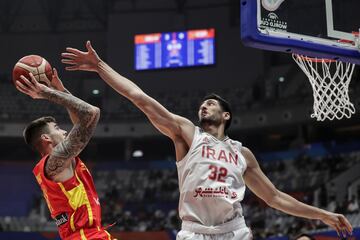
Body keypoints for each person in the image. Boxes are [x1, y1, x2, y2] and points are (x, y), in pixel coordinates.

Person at [61, 41, 353, 239]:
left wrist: (323, 215)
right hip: (194, 231)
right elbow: (141, 99)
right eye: (203, 104)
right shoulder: (188, 134)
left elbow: (274, 197)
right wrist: (100, 66)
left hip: (234, 229)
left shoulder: (243, 154)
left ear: (226, 116)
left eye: (211, 104)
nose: (204, 106)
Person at [15, 70, 113, 240]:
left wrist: (62, 92)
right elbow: (92, 113)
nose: (65, 130)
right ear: (46, 138)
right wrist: (46, 93)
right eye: (58, 128)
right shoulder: (55, 162)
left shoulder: (61, 161)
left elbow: (82, 119)